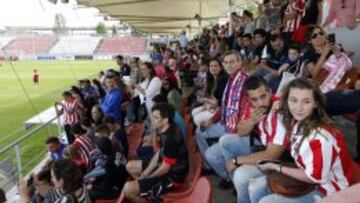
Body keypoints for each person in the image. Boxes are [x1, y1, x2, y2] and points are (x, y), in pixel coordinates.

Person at [252, 78, 352, 203]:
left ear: (315, 103)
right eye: (293, 100)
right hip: (310, 176)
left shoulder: (320, 138)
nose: (298, 108)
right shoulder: (298, 121)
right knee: (256, 188)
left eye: (306, 102)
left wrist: (277, 167)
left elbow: (314, 177)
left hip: (331, 189)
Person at [196, 51, 248, 187]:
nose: (229, 65)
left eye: (232, 62)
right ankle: (227, 176)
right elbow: (224, 107)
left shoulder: (246, 81)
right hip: (227, 124)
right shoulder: (230, 81)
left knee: (218, 149)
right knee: (201, 134)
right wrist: (211, 121)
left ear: (240, 62)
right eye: (226, 62)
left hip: (241, 131)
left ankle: (234, 179)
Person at [123, 103, 189, 202]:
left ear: (165, 120)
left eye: (155, 118)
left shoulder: (170, 139)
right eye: (152, 116)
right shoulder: (164, 128)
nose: (152, 120)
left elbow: (165, 169)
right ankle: (148, 193)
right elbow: (158, 154)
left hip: (173, 177)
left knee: (127, 190)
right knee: (129, 166)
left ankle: (146, 190)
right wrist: (145, 173)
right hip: (164, 165)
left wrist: (147, 177)